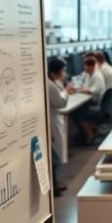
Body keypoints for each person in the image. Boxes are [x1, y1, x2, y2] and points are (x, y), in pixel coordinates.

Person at [67, 55, 106, 144]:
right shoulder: (89, 74)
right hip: (90, 102)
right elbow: (85, 87)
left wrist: (78, 90)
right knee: (76, 111)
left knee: (77, 114)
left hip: (95, 104)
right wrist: (78, 89)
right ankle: (85, 132)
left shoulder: (97, 76)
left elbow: (92, 90)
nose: (84, 68)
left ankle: (89, 134)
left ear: (91, 66)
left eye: (86, 66)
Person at [46, 56, 70, 197]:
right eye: (63, 70)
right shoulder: (49, 85)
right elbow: (61, 102)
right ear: (54, 72)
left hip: (56, 119)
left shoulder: (53, 82)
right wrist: (66, 91)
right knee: (53, 156)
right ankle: (53, 186)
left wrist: (63, 87)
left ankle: (55, 183)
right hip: (52, 122)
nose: (65, 73)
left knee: (55, 155)